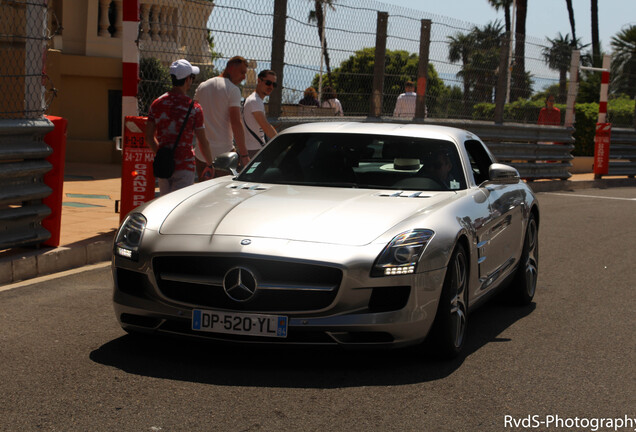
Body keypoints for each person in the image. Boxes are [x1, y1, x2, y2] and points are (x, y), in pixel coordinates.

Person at [145, 59, 214, 196]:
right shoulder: (194, 108)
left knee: (165, 204)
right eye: (192, 77)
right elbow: (202, 141)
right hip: (185, 166)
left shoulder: (157, 104)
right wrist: (210, 164)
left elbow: (149, 137)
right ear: (187, 79)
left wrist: (162, 154)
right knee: (179, 205)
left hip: (164, 166)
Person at [194, 56, 249, 177]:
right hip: (224, 155)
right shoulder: (233, 90)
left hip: (201, 154)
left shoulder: (202, 86)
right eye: (242, 72)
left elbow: (194, 118)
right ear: (230, 68)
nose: (244, 77)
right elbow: (235, 122)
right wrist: (244, 155)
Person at [243, 70, 278, 158]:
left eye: (274, 84)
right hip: (253, 150)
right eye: (268, 83)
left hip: (255, 148)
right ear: (259, 81)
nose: (271, 87)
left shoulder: (256, 100)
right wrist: (281, 141)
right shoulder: (255, 101)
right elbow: (265, 126)